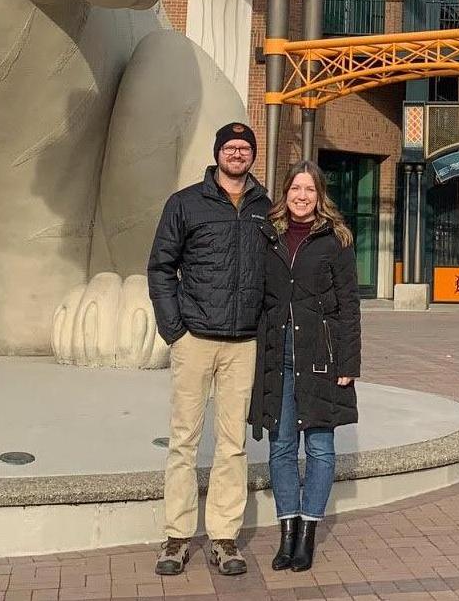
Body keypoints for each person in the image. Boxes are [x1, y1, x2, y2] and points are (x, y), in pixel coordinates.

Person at [147, 121, 270, 578]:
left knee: (233, 445)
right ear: (218, 153)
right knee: (183, 441)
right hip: (195, 339)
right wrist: (174, 329)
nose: (237, 154)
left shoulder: (264, 207)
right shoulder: (185, 204)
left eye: (244, 148)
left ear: (251, 156)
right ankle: (176, 537)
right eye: (230, 147)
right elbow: (161, 267)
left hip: (243, 344)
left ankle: (223, 537)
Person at [250, 160, 362, 574]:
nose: (301, 196)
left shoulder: (336, 240)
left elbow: (349, 305)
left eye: (309, 190)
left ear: (320, 196)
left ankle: (308, 535)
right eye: (295, 189)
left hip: (320, 356)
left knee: (319, 448)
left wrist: (349, 361)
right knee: (280, 447)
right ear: (285, 193)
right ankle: (287, 532)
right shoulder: (268, 235)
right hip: (277, 354)